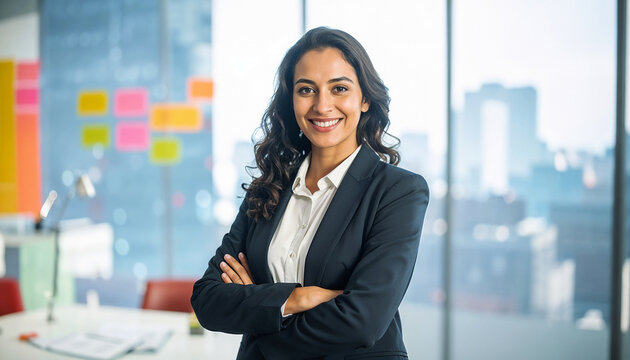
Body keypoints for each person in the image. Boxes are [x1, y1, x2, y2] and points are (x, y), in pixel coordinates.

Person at [191, 27, 429, 360]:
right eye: (307, 89)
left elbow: (361, 322)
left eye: (339, 88)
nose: (322, 105)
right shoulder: (268, 188)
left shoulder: (398, 191)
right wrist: (295, 299)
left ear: (364, 99)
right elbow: (207, 300)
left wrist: (259, 311)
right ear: (292, 101)